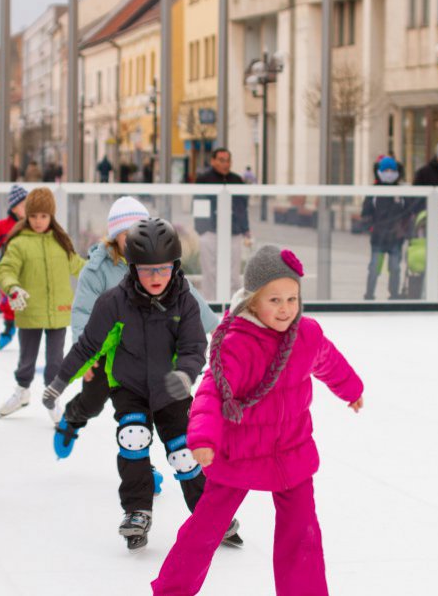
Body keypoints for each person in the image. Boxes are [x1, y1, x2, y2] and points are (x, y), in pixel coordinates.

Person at [151, 245, 365, 595]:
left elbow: (328, 360)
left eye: (292, 299)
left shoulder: (306, 334)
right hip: (240, 449)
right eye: (274, 300)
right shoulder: (238, 342)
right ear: (252, 301)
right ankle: (171, 589)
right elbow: (212, 392)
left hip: (291, 450)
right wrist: (203, 438)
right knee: (206, 528)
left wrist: (351, 389)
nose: (285, 309)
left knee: (302, 532)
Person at [41, 218, 238, 551]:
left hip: (172, 388)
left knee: (184, 453)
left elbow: (193, 348)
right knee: (133, 437)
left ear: (175, 266)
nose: (156, 277)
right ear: (133, 268)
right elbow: (88, 346)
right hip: (129, 387)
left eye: (163, 269)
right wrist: (60, 381)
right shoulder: (114, 302)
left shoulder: (185, 302)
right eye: (147, 270)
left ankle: (209, 512)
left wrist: (185, 375)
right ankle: (137, 511)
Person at [51, 197, 219, 460]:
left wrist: (216, 329)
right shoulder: (97, 269)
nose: (133, 240)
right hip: (108, 349)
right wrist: (86, 356)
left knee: (147, 405)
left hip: (148, 345)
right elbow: (83, 310)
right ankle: (73, 418)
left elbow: (189, 298)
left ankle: (141, 465)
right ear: (114, 237)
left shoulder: (157, 263)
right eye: (126, 234)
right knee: (93, 402)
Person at [0, 187, 86, 418]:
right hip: (29, 310)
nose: (38, 221)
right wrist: (12, 288)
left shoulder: (60, 241)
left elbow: (78, 265)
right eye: (33, 216)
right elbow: (6, 269)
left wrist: (100, 269)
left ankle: (52, 398)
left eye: (43, 216)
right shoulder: (19, 243)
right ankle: (22, 391)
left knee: (55, 361)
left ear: (51, 216)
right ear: (26, 216)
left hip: (59, 311)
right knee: (26, 360)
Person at [194, 148, 251, 300]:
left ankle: (233, 305)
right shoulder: (203, 179)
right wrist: (202, 229)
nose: (225, 164)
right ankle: (211, 304)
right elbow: (198, 203)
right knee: (210, 272)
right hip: (209, 232)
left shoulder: (237, 180)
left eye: (228, 160)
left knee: (234, 274)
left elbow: (242, 207)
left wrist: (245, 229)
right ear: (213, 161)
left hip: (233, 232)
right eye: (221, 160)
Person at [362, 157, 411, 300]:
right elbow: (366, 212)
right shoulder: (374, 192)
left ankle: (394, 295)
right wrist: (371, 227)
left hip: (396, 238)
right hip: (378, 238)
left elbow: (408, 213)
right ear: (380, 172)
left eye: (392, 170)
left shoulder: (401, 192)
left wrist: (403, 229)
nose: (389, 173)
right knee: (374, 268)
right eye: (386, 170)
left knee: (395, 267)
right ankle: (369, 295)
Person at [0, 184, 28, 349]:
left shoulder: (34, 225)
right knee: (9, 301)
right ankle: (9, 329)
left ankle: (33, 331)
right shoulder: (3, 227)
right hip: (9, 272)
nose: (28, 208)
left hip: (29, 271)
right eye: (23, 205)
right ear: (14, 208)